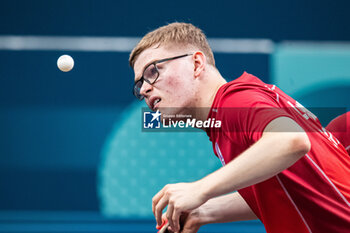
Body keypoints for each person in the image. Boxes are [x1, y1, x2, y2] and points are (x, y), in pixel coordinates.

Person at [129, 22, 350, 233]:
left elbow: (291, 140)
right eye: (140, 85)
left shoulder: (232, 102)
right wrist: (203, 212)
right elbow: (292, 188)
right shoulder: (222, 124)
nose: (145, 90)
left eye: (152, 72)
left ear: (196, 64)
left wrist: (200, 188)